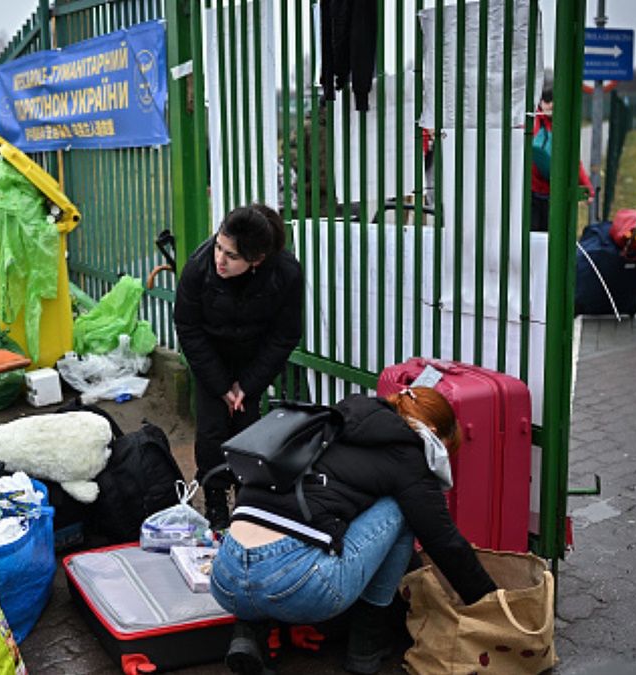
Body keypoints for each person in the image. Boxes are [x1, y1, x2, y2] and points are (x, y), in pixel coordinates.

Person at [210, 387, 497, 675]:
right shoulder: (408, 453)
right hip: (295, 583)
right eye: (445, 447)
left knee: (282, 524)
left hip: (224, 575)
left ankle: (247, 633)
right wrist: (492, 604)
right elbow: (443, 540)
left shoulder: (328, 422)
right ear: (431, 431)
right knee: (403, 508)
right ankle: (365, 648)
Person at [174, 203, 304, 531]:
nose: (220, 259)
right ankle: (215, 500)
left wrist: (248, 384)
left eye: (231, 256)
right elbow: (187, 327)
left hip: (254, 357)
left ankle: (248, 501)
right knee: (211, 430)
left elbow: (285, 334)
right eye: (219, 247)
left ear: (256, 260)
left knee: (249, 429)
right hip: (210, 357)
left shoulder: (285, 273)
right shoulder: (198, 268)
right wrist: (220, 385)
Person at [531, 87, 594, 232]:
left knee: (550, 237)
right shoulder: (532, 123)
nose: (551, 105)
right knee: (531, 236)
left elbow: (574, 162)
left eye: (554, 101)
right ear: (540, 103)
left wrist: (588, 188)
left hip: (555, 194)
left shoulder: (564, 127)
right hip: (530, 192)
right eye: (547, 100)